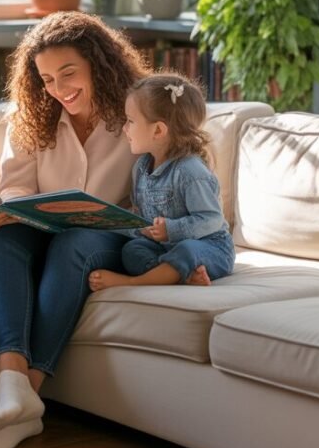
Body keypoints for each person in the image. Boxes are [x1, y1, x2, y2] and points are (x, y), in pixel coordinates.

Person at [0, 11, 150, 448]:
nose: (59, 90)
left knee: (74, 242)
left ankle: (28, 398)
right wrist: (4, 210)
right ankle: (11, 385)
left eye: (68, 74)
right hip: (43, 226)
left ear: (99, 64)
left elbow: (158, 188)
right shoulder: (33, 116)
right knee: (3, 240)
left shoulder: (139, 110)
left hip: (113, 236)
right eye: (46, 79)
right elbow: (18, 184)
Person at [89, 72, 235, 291]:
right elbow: (141, 217)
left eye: (130, 121)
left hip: (210, 248)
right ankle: (180, 277)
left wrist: (172, 229)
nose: (125, 129)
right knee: (133, 250)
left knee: (186, 250)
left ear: (158, 130)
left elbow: (211, 220)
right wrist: (107, 223)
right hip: (165, 248)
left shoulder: (191, 171)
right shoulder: (141, 167)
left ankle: (132, 282)